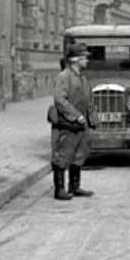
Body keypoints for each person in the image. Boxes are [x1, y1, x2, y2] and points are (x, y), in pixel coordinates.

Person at [50, 46, 93, 201]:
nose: (87, 60)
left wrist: (92, 118)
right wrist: (76, 116)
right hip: (69, 124)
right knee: (63, 155)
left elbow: (87, 100)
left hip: (82, 123)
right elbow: (60, 99)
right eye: (84, 57)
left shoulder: (82, 77)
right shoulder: (64, 76)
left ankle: (74, 186)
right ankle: (59, 190)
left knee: (80, 154)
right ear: (76, 60)